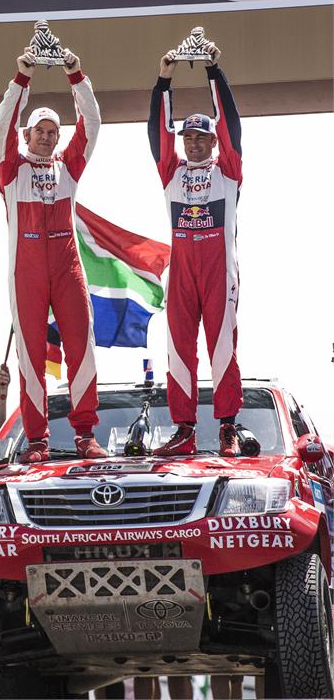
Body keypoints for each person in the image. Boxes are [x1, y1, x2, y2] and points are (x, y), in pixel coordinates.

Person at [0, 44, 105, 463]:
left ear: (59, 137)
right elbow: (2, 124)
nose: (45, 135)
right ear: (27, 136)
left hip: (67, 266)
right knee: (30, 354)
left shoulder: (69, 167)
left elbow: (92, 123)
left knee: (81, 348)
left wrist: (76, 75)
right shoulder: (11, 169)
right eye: (39, 129)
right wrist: (21, 79)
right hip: (26, 271)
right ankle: (37, 440)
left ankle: (84, 434)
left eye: (52, 131)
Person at [148, 45, 243, 458]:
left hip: (220, 271)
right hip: (182, 272)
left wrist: (213, 71)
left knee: (222, 348)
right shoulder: (172, 172)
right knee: (179, 349)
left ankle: (227, 428)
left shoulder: (228, 170)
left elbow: (232, 127)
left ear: (211, 140)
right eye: (187, 137)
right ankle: (184, 429)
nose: (193, 144)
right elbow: (157, 132)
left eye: (201, 137)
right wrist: (163, 79)